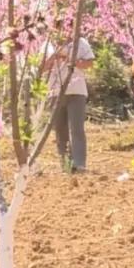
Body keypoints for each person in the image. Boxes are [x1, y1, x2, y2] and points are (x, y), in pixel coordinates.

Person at [43, 34, 95, 173]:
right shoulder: (48, 44)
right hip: (55, 92)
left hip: (77, 90)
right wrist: (55, 56)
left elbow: (89, 63)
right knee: (60, 129)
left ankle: (79, 163)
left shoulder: (81, 43)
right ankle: (66, 164)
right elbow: (42, 67)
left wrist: (71, 60)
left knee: (76, 128)